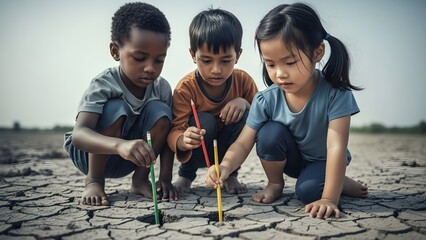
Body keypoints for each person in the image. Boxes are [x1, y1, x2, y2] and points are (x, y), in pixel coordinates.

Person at [205, 2, 368, 219]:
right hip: (292, 160)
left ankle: (340, 183)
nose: (280, 73)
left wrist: (329, 198)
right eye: (270, 64)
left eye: (290, 62)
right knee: (269, 133)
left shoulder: (336, 94)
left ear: (317, 52)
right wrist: (224, 166)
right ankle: (275, 184)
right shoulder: (267, 99)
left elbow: (336, 148)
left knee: (308, 191)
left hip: (324, 161)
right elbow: (243, 142)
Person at [63, 2, 178, 206]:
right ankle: (94, 180)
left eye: (159, 60)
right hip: (90, 155)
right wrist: (119, 145)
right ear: (116, 51)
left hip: (132, 159)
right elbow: (80, 135)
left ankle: (140, 180)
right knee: (116, 108)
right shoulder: (104, 84)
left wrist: (165, 179)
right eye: (140, 58)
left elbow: (168, 138)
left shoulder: (161, 89)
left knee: (161, 112)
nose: (151, 68)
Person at [167, 8, 258, 195]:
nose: (216, 69)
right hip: (199, 150)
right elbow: (175, 129)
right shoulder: (186, 88)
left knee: (247, 116)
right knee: (204, 121)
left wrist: (244, 103)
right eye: (206, 60)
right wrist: (183, 140)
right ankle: (186, 175)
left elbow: (261, 113)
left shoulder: (243, 82)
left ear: (238, 55)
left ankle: (231, 174)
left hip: (229, 151)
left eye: (225, 61)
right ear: (193, 54)